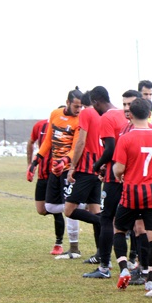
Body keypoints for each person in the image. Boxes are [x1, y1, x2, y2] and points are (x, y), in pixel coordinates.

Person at [111, 98, 152, 295]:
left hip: (132, 191)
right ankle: (151, 280)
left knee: (118, 230)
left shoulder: (125, 138)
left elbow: (119, 168)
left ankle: (124, 268)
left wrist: (119, 176)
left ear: (131, 115)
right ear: (150, 114)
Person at [82, 87, 130, 279]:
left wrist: (97, 165)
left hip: (113, 176)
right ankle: (134, 263)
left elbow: (110, 149)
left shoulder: (106, 118)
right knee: (131, 222)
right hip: (129, 174)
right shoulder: (123, 114)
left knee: (106, 218)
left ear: (95, 102)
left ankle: (104, 266)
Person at [29, 88, 83, 257]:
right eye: (76, 106)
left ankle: (74, 248)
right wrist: (36, 161)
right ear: (67, 103)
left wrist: (65, 161)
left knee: (69, 210)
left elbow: (75, 147)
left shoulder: (80, 120)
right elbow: (47, 142)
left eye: (81, 106)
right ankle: (84, 205)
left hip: (69, 171)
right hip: (55, 170)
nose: (78, 110)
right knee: (49, 206)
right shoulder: (55, 114)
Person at [62, 92, 102, 260]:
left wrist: (72, 167)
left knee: (69, 210)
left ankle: (106, 224)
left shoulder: (87, 113)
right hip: (98, 169)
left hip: (86, 169)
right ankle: (101, 254)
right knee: (95, 211)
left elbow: (81, 141)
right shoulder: (102, 114)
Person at [26, 116, 62, 254]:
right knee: (41, 209)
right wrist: (30, 164)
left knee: (55, 209)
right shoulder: (40, 126)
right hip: (42, 174)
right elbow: (30, 142)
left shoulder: (69, 127)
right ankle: (72, 209)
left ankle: (59, 243)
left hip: (57, 176)